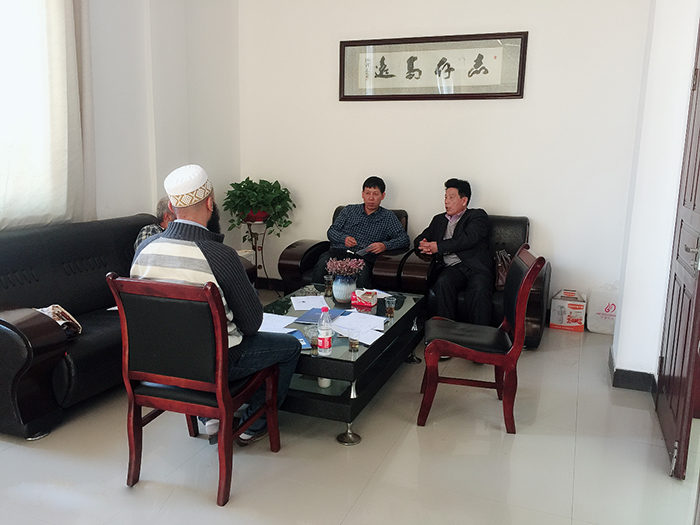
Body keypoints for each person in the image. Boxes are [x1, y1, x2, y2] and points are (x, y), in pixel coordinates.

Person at [131, 165, 301, 446]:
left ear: (171, 207)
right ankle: (254, 423)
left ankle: (208, 418)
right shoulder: (220, 256)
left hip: (159, 362)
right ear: (210, 204)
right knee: (289, 347)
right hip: (215, 365)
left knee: (189, 339)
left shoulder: (144, 249)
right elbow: (251, 324)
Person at [415, 178, 493, 324]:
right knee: (443, 283)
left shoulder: (477, 216)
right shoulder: (439, 220)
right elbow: (420, 238)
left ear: (464, 200)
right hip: (453, 269)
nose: (446, 202)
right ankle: (445, 330)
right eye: (445, 197)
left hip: (476, 268)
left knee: (479, 289)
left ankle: (480, 334)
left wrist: (438, 247)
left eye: (451, 198)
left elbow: (468, 239)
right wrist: (423, 245)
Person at [311, 176, 410, 289]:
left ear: (382, 196)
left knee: (362, 277)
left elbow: (404, 239)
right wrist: (344, 238)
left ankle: (357, 301)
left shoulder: (388, 217)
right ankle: (317, 297)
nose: (371, 198)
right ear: (362, 194)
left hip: (363, 258)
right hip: (338, 253)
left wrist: (384, 245)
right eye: (367, 193)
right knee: (322, 264)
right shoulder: (349, 210)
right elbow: (332, 231)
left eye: (375, 194)